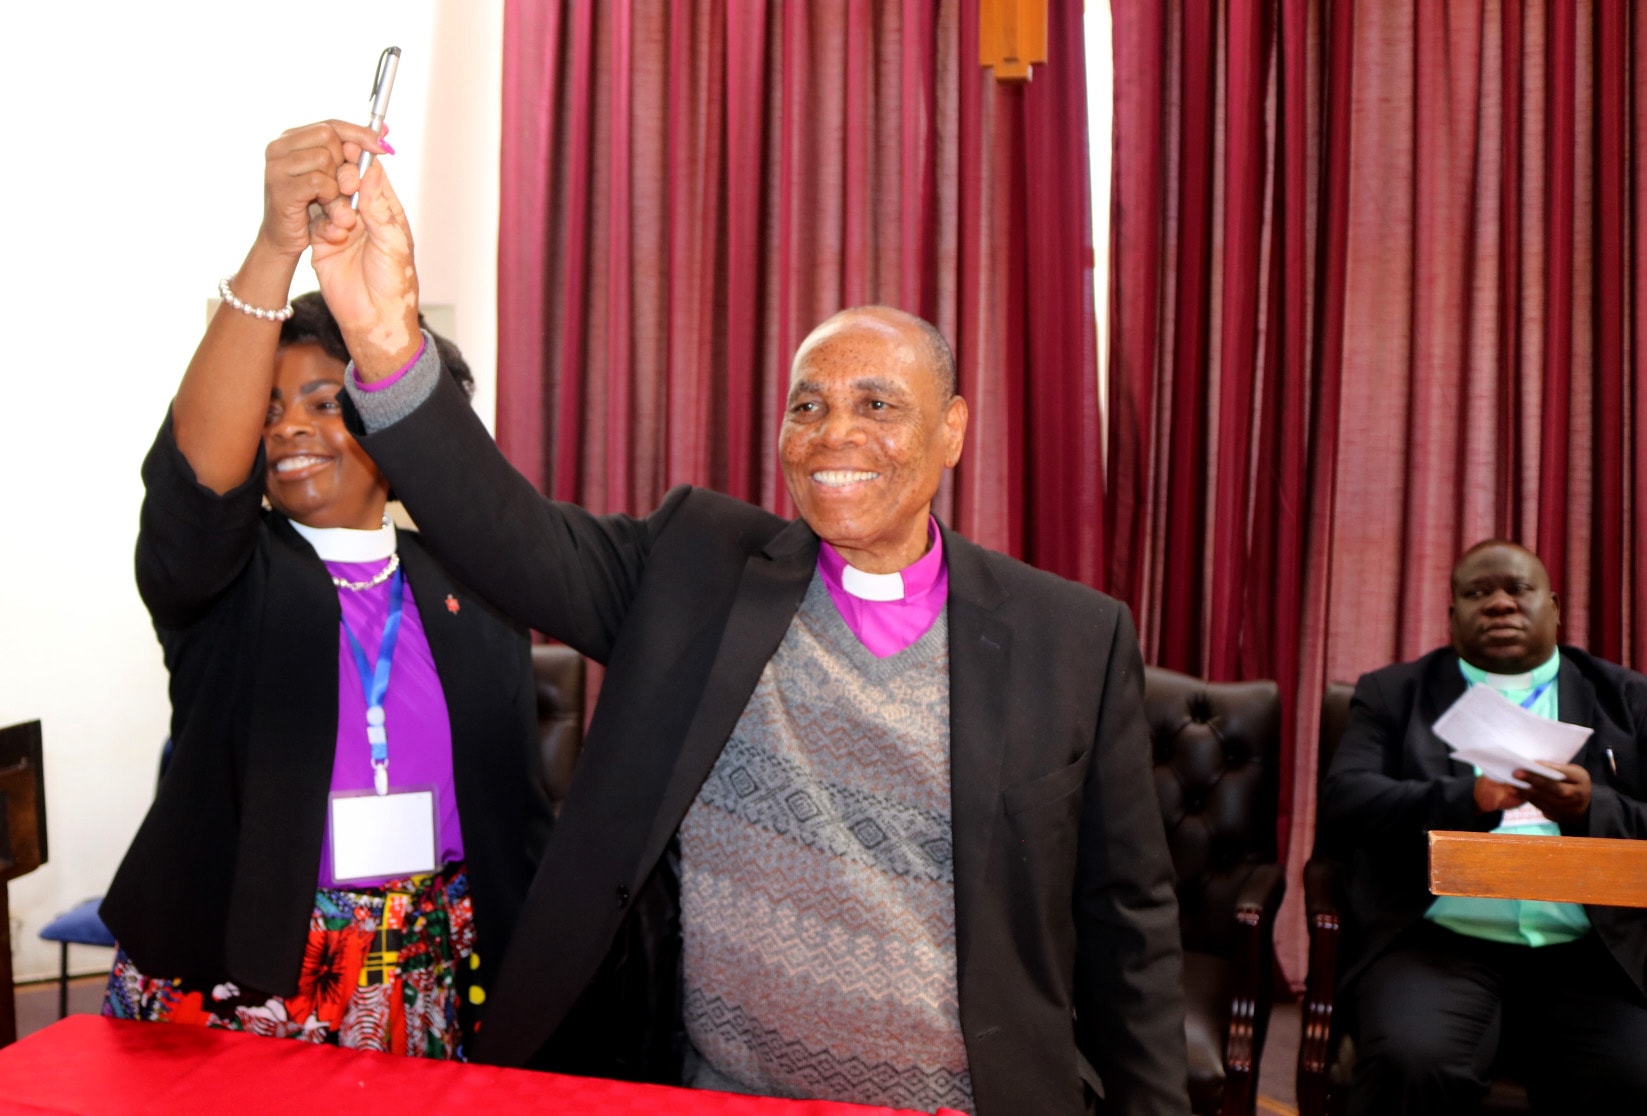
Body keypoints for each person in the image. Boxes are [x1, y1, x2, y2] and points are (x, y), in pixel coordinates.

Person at [303, 123, 1188, 1115]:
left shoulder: (1069, 638)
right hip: (718, 1093)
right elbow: (508, 535)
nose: (833, 434)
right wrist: (384, 339)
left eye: (877, 405)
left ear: (952, 432)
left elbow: (1129, 926)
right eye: (806, 406)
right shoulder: (699, 571)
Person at [100, 123, 552, 1058]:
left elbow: (517, 809)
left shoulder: (474, 587)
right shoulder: (229, 576)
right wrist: (276, 250)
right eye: (268, 410)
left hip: (432, 967)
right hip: (243, 971)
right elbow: (198, 485)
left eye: (323, 403)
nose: (288, 429)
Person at [1320, 539, 1647, 1114]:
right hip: (1438, 939)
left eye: (1517, 590)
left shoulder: (1626, 699)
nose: (1499, 604)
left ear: (1553, 606)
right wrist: (1463, 799)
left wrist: (1593, 808)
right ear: (1451, 615)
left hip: (1589, 948)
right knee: (1410, 1063)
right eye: (1478, 593)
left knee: (1631, 1075)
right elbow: (1346, 802)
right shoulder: (1393, 695)